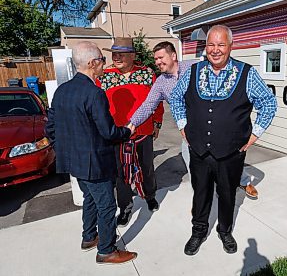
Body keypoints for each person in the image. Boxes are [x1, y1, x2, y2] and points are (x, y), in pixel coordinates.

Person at [169, 25, 277, 255]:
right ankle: (198, 232)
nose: (215, 50)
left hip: (231, 152)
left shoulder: (247, 73)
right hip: (198, 148)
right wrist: (182, 125)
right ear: (205, 46)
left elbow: (268, 103)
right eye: (211, 44)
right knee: (200, 193)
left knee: (227, 194)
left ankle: (225, 231)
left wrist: (254, 135)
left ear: (230, 46)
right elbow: (176, 97)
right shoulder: (192, 71)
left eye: (221, 44)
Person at [129, 41, 260, 199]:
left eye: (160, 57)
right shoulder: (161, 83)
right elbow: (148, 105)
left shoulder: (195, 67)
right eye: (155, 59)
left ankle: (243, 181)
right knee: (192, 161)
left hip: (216, 123)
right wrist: (132, 123)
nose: (157, 62)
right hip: (191, 130)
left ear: (173, 56)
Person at [45, 41, 137, 264]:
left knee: (90, 199)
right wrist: (127, 131)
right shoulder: (95, 93)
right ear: (92, 63)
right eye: (102, 60)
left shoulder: (62, 91)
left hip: (74, 163)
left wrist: (64, 152)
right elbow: (108, 132)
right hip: (95, 163)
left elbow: (50, 129)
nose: (104, 64)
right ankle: (106, 250)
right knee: (106, 205)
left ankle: (89, 237)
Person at [97, 37, 164, 227]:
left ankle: (150, 195)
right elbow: (97, 105)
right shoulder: (104, 76)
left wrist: (157, 123)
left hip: (143, 131)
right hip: (116, 134)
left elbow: (157, 101)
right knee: (121, 174)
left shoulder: (147, 74)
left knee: (147, 168)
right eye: (114, 54)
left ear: (132, 55)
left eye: (121, 54)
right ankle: (125, 206)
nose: (116, 57)